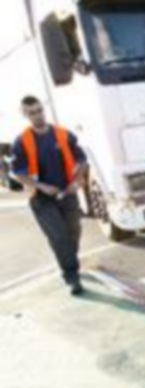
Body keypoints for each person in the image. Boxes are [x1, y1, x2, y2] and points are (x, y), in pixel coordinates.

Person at [11, 96, 89, 295]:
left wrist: (78, 180)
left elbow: (82, 159)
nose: (37, 115)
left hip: (67, 192)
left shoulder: (63, 134)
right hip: (41, 199)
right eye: (32, 113)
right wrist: (42, 186)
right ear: (25, 115)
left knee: (74, 231)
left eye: (39, 110)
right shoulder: (22, 141)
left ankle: (70, 261)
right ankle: (72, 277)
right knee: (59, 237)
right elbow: (18, 173)